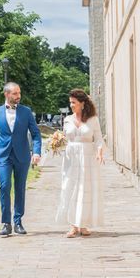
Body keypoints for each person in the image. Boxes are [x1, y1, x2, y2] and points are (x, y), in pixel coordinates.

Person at [0, 82, 42, 237]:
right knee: (4, 187)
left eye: (19, 93)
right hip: (3, 156)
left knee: (20, 188)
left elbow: (36, 134)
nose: (18, 96)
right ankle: (6, 223)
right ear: (6, 94)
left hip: (22, 156)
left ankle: (18, 222)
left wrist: (36, 152)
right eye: (15, 94)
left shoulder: (26, 112)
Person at [55, 89, 105, 237]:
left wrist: (100, 150)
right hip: (71, 159)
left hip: (88, 157)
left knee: (85, 190)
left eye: (74, 102)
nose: (71, 105)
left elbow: (99, 138)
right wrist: (57, 142)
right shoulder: (67, 119)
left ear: (82, 104)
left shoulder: (93, 119)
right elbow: (64, 138)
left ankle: (83, 225)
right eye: (70, 102)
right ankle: (73, 225)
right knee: (70, 188)